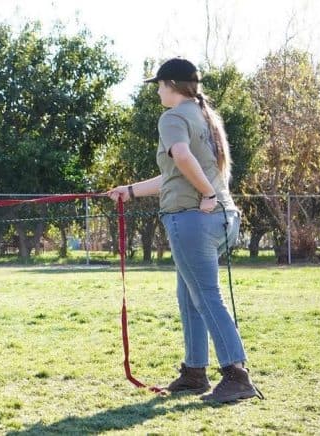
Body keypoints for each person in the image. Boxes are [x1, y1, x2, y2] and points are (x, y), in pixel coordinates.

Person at [107, 58, 261, 403]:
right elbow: (179, 171)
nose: (158, 91)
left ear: (172, 85)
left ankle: (236, 375)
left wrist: (206, 193)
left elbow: (180, 157)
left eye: (160, 84)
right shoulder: (205, 116)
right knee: (190, 296)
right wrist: (129, 191)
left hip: (192, 218)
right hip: (221, 218)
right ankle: (195, 372)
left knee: (206, 297)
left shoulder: (173, 117)